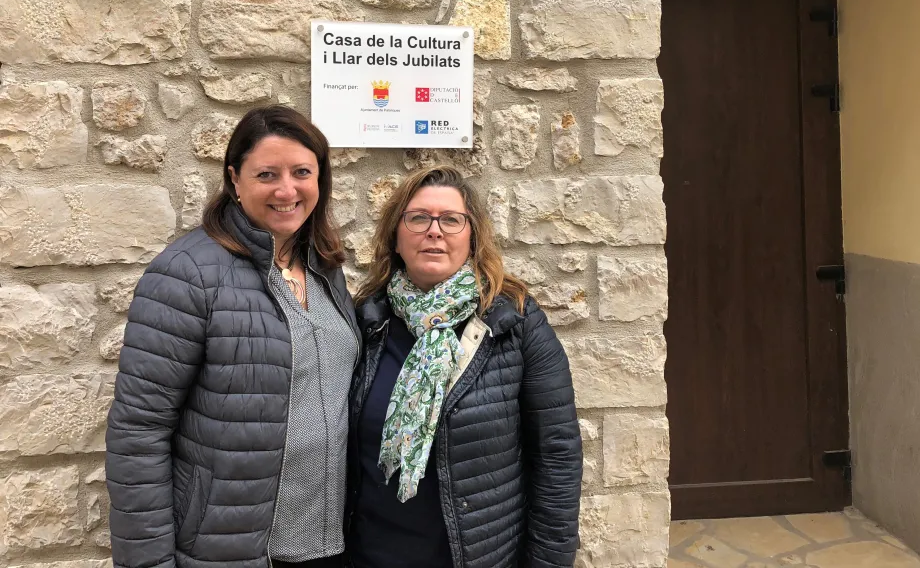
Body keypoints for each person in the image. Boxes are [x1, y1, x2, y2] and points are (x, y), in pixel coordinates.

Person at [105, 105, 359, 568]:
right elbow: (138, 433)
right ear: (235, 180)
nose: (287, 190)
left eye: (302, 172)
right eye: (267, 174)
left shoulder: (325, 268)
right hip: (232, 548)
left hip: (328, 543)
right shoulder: (187, 273)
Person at [345, 165, 583, 568]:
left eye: (452, 220)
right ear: (395, 237)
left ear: (471, 237)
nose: (434, 231)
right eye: (418, 217)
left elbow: (557, 453)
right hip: (373, 555)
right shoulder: (366, 322)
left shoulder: (514, 323)